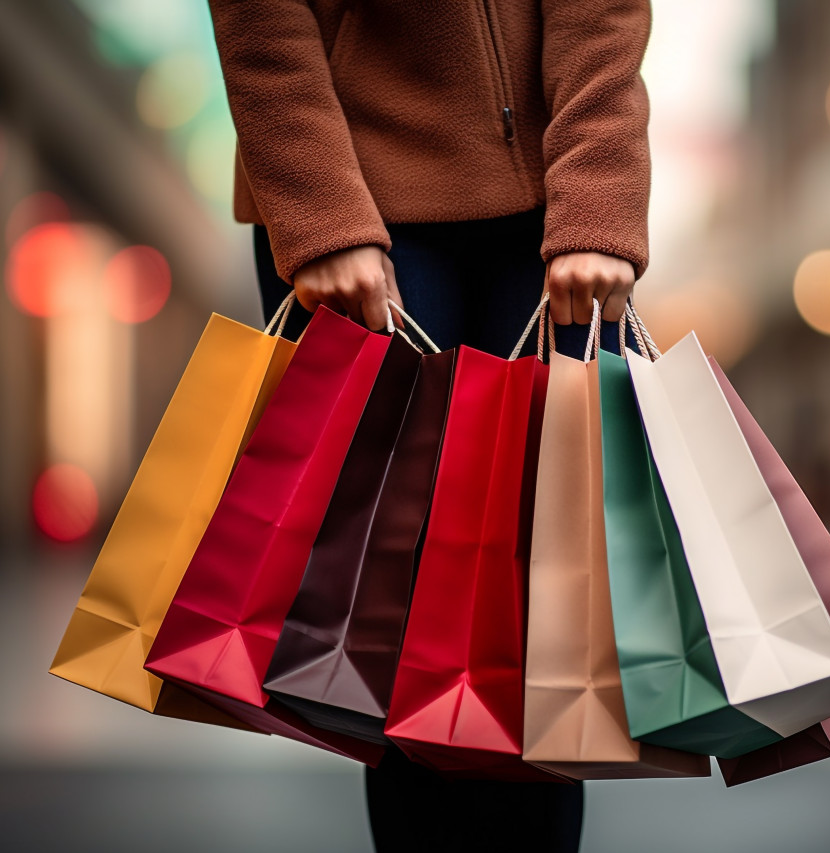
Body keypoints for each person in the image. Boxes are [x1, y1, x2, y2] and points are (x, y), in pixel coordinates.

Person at [205, 1, 653, 849]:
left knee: (542, 618)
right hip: (357, 201)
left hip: (543, 212)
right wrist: (322, 210)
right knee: (404, 627)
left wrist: (600, 193)